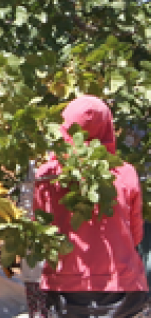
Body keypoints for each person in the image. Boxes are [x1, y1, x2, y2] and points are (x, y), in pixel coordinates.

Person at [33, 95, 147, 318]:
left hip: (65, 285)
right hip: (121, 286)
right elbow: (136, 236)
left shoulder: (47, 175)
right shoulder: (125, 173)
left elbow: (41, 229)